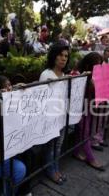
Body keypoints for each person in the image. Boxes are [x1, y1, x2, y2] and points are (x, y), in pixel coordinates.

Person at [39, 43, 70, 185]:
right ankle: (50, 170)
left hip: (61, 117)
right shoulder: (46, 74)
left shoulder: (65, 75)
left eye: (66, 56)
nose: (63, 59)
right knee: (50, 146)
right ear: (54, 56)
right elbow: (40, 97)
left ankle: (55, 167)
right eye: (60, 55)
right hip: (50, 118)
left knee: (58, 145)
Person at [73, 52, 105, 171]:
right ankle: (91, 158)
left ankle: (76, 151)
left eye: (100, 65)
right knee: (84, 132)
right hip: (79, 109)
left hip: (89, 107)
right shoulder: (77, 74)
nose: (98, 67)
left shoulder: (93, 75)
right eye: (96, 65)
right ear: (88, 65)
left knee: (82, 131)